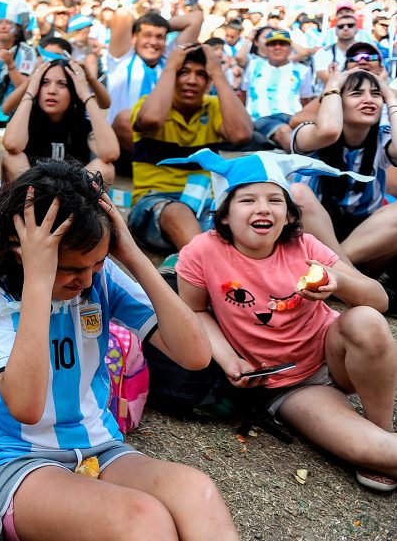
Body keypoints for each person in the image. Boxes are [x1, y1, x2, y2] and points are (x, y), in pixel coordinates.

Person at [0, 159, 238, 541]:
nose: (87, 279)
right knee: (143, 519)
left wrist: (132, 253)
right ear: (22, 253)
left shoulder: (97, 275)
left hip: (99, 446)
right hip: (19, 461)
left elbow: (195, 355)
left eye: (97, 263)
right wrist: (40, 279)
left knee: (197, 492)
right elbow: (27, 405)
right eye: (71, 268)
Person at [166, 149, 397, 492]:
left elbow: (379, 300)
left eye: (275, 199)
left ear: (288, 215)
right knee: (378, 451)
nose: (263, 208)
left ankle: (381, 427)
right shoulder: (201, 252)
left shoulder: (304, 245)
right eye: (247, 200)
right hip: (290, 386)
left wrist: (340, 281)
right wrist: (230, 359)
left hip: (335, 355)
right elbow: (195, 311)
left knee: (365, 320)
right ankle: (378, 450)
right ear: (225, 215)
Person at [128, 45, 253, 273]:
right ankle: (205, 269)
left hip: (206, 205)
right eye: (183, 72)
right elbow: (151, 119)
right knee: (179, 211)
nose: (192, 80)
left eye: (201, 74)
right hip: (152, 204)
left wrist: (217, 73)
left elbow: (241, 133)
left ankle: (187, 263)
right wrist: (169, 68)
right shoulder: (148, 104)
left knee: (236, 218)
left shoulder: (214, 107)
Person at [287, 69, 397, 277]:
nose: (368, 99)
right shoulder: (308, 131)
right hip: (309, 241)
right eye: (356, 94)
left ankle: (342, 273)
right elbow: (328, 131)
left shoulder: (382, 139)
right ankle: (353, 279)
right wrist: (333, 84)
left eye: (375, 94)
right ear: (336, 99)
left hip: (361, 244)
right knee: (297, 193)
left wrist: (391, 97)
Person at [2, 58, 120, 183]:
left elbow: (110, 153)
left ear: (74, 91)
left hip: (71, 197)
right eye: (45, 83)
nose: (51, 91)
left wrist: (85, 95)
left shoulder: (81, 125)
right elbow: (12, 144)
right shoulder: (25, 120)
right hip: (31, 195)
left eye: (62, 84)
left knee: (105, 168)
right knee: (12, 158)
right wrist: (30, 91)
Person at [106, 9, 203, 147]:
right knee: (126, 119)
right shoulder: (122, 58)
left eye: (159, 37)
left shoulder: (170, 59)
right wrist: (147, 22)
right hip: (122, 145)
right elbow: (122, 14)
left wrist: (160, 24)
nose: (153, 42)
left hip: (161, 142)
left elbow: (196, 18)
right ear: (134, 37)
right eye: (147, 35)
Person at [240, 29, 314, 150]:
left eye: (283, 44)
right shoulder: (253, 66)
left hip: (293, 117)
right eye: (272, 44)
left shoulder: (302, 70)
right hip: (262, 117)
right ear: (266, 48)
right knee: (284, 131)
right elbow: (243, 95)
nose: (277, 47)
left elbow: (305, 101)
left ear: (290, 47)